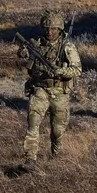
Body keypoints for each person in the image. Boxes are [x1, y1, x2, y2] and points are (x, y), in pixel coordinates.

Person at [16, 10, 81, 171]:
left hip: (60, 92)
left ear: (60, 30)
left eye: (53, 29)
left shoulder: (67, 47)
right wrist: (24, 52)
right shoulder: (37, 44)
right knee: (33, 123)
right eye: (47, 29)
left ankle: (56, 153)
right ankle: (30, 158)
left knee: (57, 131)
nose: (50, 32)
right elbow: (23, 56)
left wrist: (60, 71)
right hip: (40, 89)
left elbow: (77, 70)